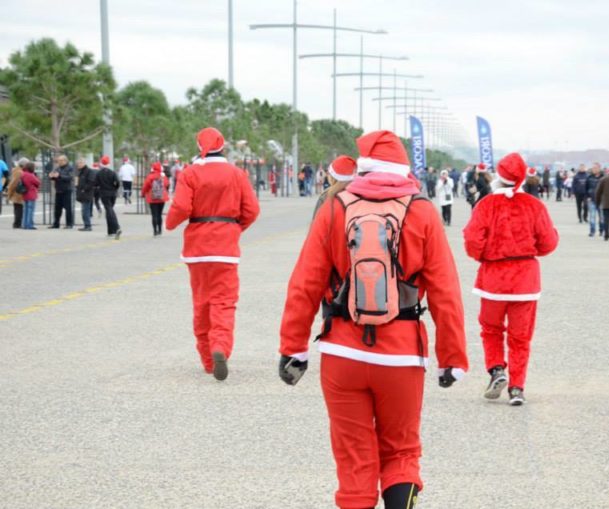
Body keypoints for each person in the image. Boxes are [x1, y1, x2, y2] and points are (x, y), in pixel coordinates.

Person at [278, 130, 468, 509]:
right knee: (401, 453)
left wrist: (293, 349)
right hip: (401, 354)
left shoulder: (334, 207)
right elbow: (446, 290)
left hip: (342, 353)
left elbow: (305, 283)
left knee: (353, 461)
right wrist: (452, 357)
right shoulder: (422, 211)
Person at [463, 152, 559, 406]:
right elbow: (548, 243)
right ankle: (517, 388)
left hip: (493, 279)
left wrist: (485, 255)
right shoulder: (534, 205)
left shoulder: (485, 205)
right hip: (525, 281)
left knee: (491, 330)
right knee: (521, 337)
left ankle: (496, 370)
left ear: (499, 175)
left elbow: (472, 242)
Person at [166, 127, 259, 380]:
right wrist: (234, 228)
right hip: (225, 248)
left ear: (199, 146)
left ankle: (208, 359)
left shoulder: (191, 172)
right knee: (224, 302)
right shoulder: (237, 174)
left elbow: (182, 206)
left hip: (196, 248)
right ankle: (220, 346)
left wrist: (171, 223)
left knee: (201, 302)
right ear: (223, 146)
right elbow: (251, 209)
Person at [94, 156, 122, 239]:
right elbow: (117, 182)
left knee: (109, 210)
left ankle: (116, 227)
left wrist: (99, 186)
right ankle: (110, 231)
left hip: (104, 193)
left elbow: (95, 183)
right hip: (113, 193)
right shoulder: (112, 172)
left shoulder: (99, 173)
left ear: (101, 163)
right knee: (110, 210)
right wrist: (115, 188)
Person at [141, 162, 170, 236]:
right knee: (159, 214)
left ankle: (155, 231)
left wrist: (143, 194)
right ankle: (160, 230)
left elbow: (145, 186)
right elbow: (167, 184)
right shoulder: (163, 176)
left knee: (154, 214)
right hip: (161, 198)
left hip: (152, 197)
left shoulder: (150, 176)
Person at [49, 155, 75, 229]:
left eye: (60, 160)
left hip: (66, 190)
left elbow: (70, 178)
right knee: (57, 208)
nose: (59, 162)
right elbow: (55, 176)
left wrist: (59, 176)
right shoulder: (57, 168)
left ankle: (69, 224)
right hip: (58, 190)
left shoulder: (70, 168)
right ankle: (56, 224)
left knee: (68, 208)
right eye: (58, 161)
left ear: (65, 161)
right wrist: (51, 176)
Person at [75, 158, 96, 232]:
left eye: (80, 163)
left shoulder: (89, 171)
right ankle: (86, 225)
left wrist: (84, 189)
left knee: (85, 211)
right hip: (82, 194)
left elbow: (91, 182)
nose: (78, 164)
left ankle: (88, 225)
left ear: (84, 163)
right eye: (78, 163)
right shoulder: (80, 172)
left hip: (87, 194)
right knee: (84, 211)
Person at [6, 158, 28, 229]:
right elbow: (14, 183)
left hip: (16, 192)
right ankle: (17, 224)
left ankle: (17, 223)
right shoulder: (19, 171)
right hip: (17, 193)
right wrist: (9, 193)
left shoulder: (17, 170)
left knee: (17, 208)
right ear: (23, 164)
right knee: (19, 209)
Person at [586, 164, 605, 237]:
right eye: (593, 168)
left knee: (602, 217)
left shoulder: (603, 177)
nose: (594, 169)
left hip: (601, 200)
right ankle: (592, 231)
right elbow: (586, 188)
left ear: (599, 169)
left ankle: (602, 230)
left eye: (596, 168)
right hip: (592, 199)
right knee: (592, 217)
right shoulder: (589, 177)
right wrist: (587, 196)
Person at [20, 161, 40, 230]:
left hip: (25, 193)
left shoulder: (23, 174)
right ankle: (29, 225)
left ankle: (25, 224)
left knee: (25, 210)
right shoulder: (31, 175)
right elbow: (38, 182)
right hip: (31, 194)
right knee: (30, 210)